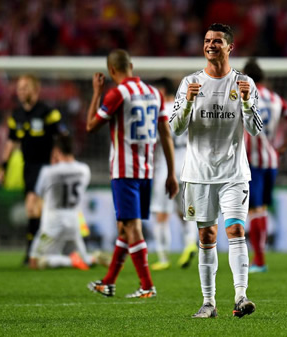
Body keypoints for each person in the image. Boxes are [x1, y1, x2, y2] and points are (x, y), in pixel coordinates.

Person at [169, 23, 262, 318]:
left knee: (235, 230)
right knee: (207, 236)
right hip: (198, 173)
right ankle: (208, 303)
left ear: (230, 47)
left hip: (234, 173)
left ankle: (241, 297)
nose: (211, 45)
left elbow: (255, 129)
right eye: (207, 40)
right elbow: (175, 128)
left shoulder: (244, 83)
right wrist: (187, 104)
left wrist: (247, 102)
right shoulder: (190, 83)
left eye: (217, 41)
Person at [86, 49, 179, 298]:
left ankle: (147, 286)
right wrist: (171, 174)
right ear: (132, 65)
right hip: (147, 170)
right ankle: (108, 282)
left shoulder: (117, 93)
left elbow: (90, 126)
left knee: (132, 227)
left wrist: (96, 93)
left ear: (112, 71)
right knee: (125, 228)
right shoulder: (154, 93)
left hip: (124, 171)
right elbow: (165, 134)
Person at [242, 58, 287, 273]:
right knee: (262, 209)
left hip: (252, 161)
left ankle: (259, 260)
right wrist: (284, 145)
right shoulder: (275, 98)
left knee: (254, 210)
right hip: (271, 159)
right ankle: (258, 258)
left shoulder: (245, 95)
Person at [0, 74, 65, 265]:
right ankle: (36, 252)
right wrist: (3, 166)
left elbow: (61, 136)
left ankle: (33, 252)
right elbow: (11, 142)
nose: (21, 92)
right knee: (34, 210)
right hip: (28, 166)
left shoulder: (48, 112)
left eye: (25, 88)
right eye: (19, 88)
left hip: (47, 167)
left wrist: (59, 157)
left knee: (34, 206)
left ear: (36, 90)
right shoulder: (16, 115)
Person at [150, 77, 198, 271]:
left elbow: (154, 140)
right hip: (189, 165)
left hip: (167, 168)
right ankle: (190, 244)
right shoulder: (187, 108)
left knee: (161, 214)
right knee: (187, 211)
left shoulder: (159, 111)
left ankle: (162, 257)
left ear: (162, 91)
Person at [29, 135, 98, 270]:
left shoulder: (49, 172)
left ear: (57, 151)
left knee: (34, 262)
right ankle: (94, 258)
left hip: (52, 221)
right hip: (73, 221)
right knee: (84, 259)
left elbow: (38, 195)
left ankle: (71, 261)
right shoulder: (84, 170)